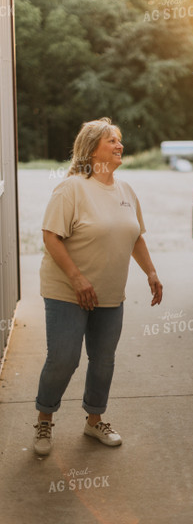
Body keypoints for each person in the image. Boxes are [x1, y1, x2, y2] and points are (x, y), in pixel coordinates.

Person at [33, 118, 163, 456]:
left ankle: (94, 421)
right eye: (111, 141)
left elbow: (135, 237)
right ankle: (45, 419)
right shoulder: (71, 188)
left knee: (103, 360)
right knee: (64, 358)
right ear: (92, 149)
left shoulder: (125, 191)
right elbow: (50, 236)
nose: (120, 146)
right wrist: (77, 278)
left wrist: (150, 272)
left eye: (120, 140)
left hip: (109, 292)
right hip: (67, 290)